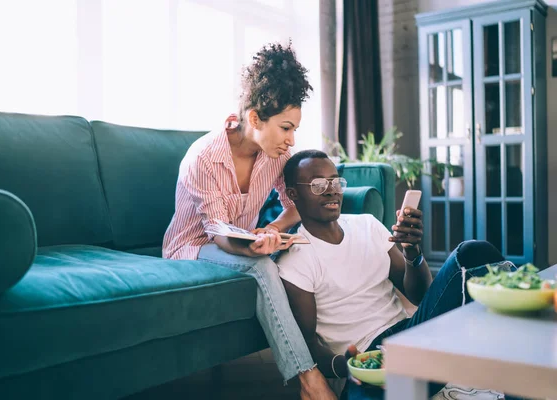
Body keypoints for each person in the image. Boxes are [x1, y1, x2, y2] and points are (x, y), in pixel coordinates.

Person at [162, 43, 337, 399]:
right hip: (193, 247)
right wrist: (253, 248)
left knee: (296, 256)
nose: (292, 140)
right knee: (262, 267)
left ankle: (349, 345)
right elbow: (219, 234)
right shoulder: (204, 159)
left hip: (236, 242)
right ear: (255, 118)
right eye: (286, 128)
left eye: (294, 128)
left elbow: (297, 205)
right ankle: (309, 378)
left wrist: (272, 231)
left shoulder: (274, 155)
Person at [276, 150, 515, 399]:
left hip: (411, 335)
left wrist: (412, 252)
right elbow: (308, 344)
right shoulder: (296, 259)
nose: (331, 190)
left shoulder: (367, 225)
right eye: (317, 185)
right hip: (365, 363)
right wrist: (344, 365)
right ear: (293, 194)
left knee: (473, 252)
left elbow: (420, 296)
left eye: (335, 181)